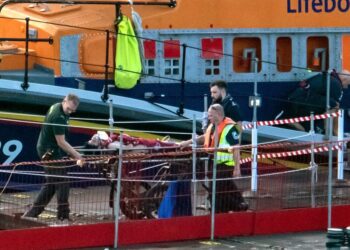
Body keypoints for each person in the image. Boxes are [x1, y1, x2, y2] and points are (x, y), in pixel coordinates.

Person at [23, 93, 84, 221]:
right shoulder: (58, 117)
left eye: (72, 111)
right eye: (68, 109)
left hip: (47, 147)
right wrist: (77, 155)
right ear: (64, 101)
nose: (69, 112)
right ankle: (63, 215)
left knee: (51, 184)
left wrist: (69, 152)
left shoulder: (57, 106)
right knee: (62, 182)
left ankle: (32, 213)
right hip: (49, 152)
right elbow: (61, 142)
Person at [180, 104, 248, 213]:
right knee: (225, 187)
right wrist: (188, 142)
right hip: (214, 162)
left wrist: (237, 168)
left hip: (225, 164)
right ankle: (239, 204)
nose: (208, 117)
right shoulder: (213, 126)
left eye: (210, 115)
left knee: (215, 190)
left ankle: (228, 208)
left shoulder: (230, 128)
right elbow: (204, 138)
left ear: (218, 114)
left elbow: (236, 148)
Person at [285, 69, 350, 134]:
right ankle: (331, 133)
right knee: (335, 106)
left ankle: (294, 122)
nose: (346, 87)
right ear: (344, 80)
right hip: (302, 102)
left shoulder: (327, 77)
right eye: (348, 84)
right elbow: (334, 107)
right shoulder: (336, 85)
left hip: (294, 101)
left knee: (330, 104)